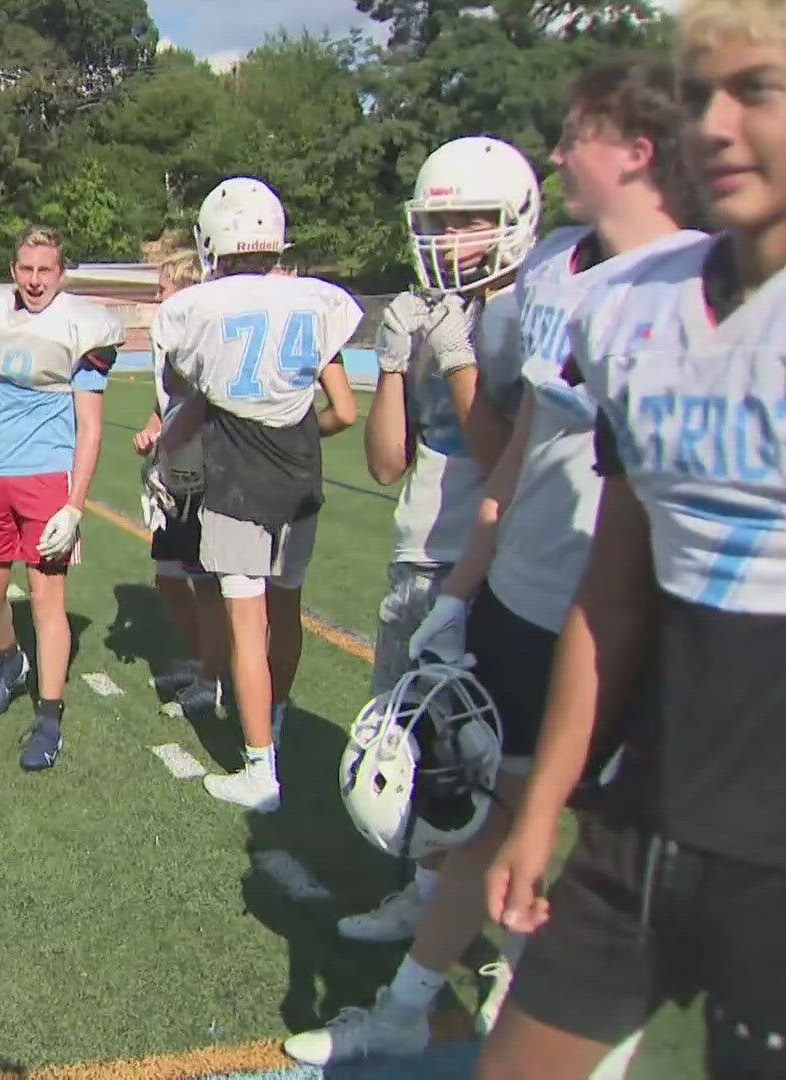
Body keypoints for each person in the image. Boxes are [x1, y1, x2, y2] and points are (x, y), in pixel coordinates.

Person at [288, 64, 707, 1067]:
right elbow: (516, 453)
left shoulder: (713, 278)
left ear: (640, 153)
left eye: (576, 138)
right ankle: (412, 1004)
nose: (557, 154)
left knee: (623, 848)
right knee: (486, 812)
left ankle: (561, 1012)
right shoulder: (559, 277)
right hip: (528, 594)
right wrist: (466, 589)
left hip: (645, 613)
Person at [480, 4, 786, 1076]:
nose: (717, 126)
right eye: (700, 98)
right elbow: (616, 587)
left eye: (756, 93)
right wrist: (545, 803)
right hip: (649, 808)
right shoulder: (624, 311)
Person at [332, 135, 544, 949]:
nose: (450, 239)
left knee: (486, 759)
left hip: (493, 563)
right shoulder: (428, 314)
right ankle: (426, 902)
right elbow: (387, 461)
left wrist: (457, 355)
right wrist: (394, 362)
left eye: (469, 221)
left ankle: (505, 935)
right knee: (411, 740)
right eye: (441, 221)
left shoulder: (524, 316)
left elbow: (502, 460)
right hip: (418, 551)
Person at [151, 178, 360, 812]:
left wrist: (167, 455)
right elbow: (341, 411)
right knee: (286, 610)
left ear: (214, 240)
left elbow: (180, 386)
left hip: (237, 479)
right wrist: (296, 432)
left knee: (248, 626)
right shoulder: (316, 298)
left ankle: (259, 769)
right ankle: (278, 717)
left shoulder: (200, 306)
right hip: (299, 474)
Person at [0, 225, 123, 772]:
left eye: (46, 270)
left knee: (45, 601)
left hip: (46, 480)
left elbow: (91, 426)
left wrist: (75, 504)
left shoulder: (82, 328)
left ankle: (49, 717)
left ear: (62, 273)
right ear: (13, 269)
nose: (35, 280)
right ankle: (10, 660)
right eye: (26, 269)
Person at [133, 248, 227, 715]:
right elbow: (167, 400)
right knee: (170, 577)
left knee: (205, 581)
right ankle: (202, 661)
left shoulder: (201, 332)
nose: (157, 294)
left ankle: (215, 676)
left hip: (202, 470)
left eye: (164, 285)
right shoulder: (168, 332)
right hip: (174, 465)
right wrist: (155, 427)